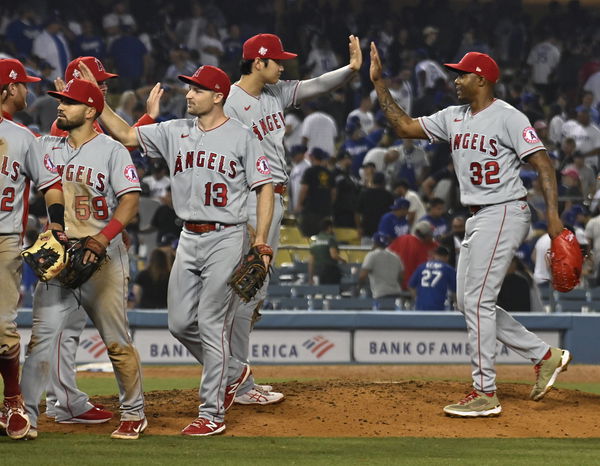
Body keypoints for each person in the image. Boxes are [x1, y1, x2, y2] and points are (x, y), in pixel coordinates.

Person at [371, 44, 571, 417]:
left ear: (481, 79)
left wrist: (554, 218)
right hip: (478, 216)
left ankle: (485, 392)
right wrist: (380, 82)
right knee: (468, 302)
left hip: (505, 209)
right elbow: (403, 126)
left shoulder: (509, 117)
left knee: (476, 301)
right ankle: (545, 355)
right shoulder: (453, 116)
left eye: (462, 74)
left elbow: (543, 163)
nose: (456, 80)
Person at [88, 64, 274, 437]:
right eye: (189, 88)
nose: (188, 94)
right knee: (178, 324)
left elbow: (264, 187)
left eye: (197, 89)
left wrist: (261, 241)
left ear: (218, 95)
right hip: (188, 237)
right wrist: (98, 101)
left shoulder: (242, 136)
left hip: (227, 235)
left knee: (210, 322)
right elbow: (125, 133)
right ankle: (236, 373)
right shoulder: (175, 131)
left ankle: (212, 413)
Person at [223, 33, 362, 405]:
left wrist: (350, 69)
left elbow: (316, 85)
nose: (283, 66)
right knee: (244, 292)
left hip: (274, 200)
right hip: (250, 201)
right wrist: (247, 222)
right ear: (258, 62)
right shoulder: (231, 102)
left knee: (253, 295)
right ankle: (235, 382)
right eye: (277, 60)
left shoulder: (274, 94)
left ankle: (238, 378)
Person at [20, 79, 146, 440]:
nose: (61, 106)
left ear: (91, 111)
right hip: (59, 255)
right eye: (60, 101)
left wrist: (102, 239)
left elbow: (130, 201)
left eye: (70, 102)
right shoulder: (46, 145)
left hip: (103, 257)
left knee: (116, 342)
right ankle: (25, 416)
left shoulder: (111, 150)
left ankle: (134, 412)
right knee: (40, 341)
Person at [0, 60, 65, 440]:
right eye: (23, 85)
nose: (28, 91)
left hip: (4, 238)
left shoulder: (23, 137)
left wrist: (55, 222)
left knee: (2, 327)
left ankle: (12, 401)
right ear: (7, 89)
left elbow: (51, 185)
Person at [296, 147, 335, 237]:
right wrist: (328, 203)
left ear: (312, 157)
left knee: (307, 238)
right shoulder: (329, 173)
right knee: (324, 237)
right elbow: (334, 192)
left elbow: (304, 189)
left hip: (311, 211)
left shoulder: (309, 171)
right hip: (325, 212)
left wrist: (299, 204)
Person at [388, 220, 439, 290]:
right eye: (430, 234)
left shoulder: (402, 239)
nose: (432, 236)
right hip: (416, 285)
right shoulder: (409, 242)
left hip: (403, 283)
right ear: (424, 236)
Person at [408, 246, 456, 311]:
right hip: (440, 306)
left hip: (421, 306)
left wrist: (417, 299)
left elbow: (411, 286)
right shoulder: (449, 269)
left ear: (435, 255)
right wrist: (457, 304)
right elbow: (455, 291)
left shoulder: (421, 267)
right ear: (447, 257)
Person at [358, 232, 403, 300]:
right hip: (397, 293)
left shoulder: (372, 255)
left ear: (374, 243)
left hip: (381, 294)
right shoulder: (395, 256)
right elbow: (401, 277)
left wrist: (358, 287)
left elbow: (362, 276)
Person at [308, 219, 344, 285]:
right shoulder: (330, 239)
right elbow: (333, 255)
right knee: (333, 291)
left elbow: (311, 262)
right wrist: (343, 260)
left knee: (322, 291)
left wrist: (310, 278)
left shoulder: (314, 241)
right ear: (329, 227)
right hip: (330, 270)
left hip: (318, 271)